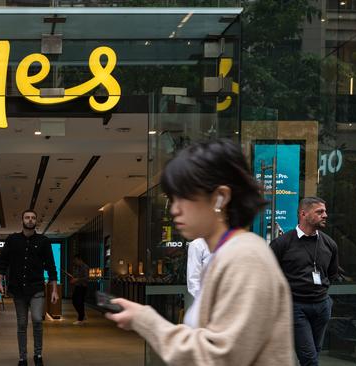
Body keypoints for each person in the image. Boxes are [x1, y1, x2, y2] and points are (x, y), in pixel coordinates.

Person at [106, 139, 294, 365]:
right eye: (172, 199)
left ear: (220, 197)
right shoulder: (225, 254)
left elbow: (217, 357)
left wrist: (146, 320)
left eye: (183, 197)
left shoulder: (246, 257)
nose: (174, 209)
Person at [270, 197, 338, 366]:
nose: (325, 215)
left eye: (325, 211)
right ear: (303, 214)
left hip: (322, 306)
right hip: (296, 306)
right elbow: (270, 276)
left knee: (314, 351)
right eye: (319, 212)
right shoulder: (281, 244)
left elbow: (332, 274)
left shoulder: (329, 244)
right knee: (309, 357)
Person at [0, 209, 59, 366]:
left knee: (37, 320)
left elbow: (51, 267)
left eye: (33, 218)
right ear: (22, 220)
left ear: (36, 221)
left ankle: (38, 355)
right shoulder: (12, 240)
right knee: (22, 324)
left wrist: (54, 290)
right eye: (27, 217)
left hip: (36, 288)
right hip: (18, 289)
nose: (30, 220)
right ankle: (22, 358)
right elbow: (2, 262)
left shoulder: (43, 241)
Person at [70, 255, 90, 325]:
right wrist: (74, 278)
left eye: (76, 260)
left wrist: (77, 279)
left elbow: (86, 278)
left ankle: (80, 319)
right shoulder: (77, 267)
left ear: (80, 259)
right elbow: (76, 276)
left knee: (79, 302)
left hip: (82, 287)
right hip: (78, 286)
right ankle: (82, 315)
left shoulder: (85, 267)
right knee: (75, 301)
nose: (75, 262)